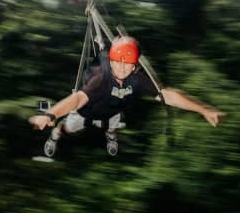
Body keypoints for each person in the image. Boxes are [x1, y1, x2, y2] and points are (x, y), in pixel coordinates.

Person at [29, 36, 225, 155]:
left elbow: (168, 96)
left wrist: (204, 110)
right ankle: (55, 134)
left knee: (113, 126)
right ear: (111, 62)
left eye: (128, 64)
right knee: (69, 129)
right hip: (85, 113)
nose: (122, 68)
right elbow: (77, 99)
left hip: (112, 112)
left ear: (135, 66)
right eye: (118, 63)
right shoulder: (101, 79)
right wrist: (51, 114)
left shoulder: (137, 80)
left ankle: (110, 135)